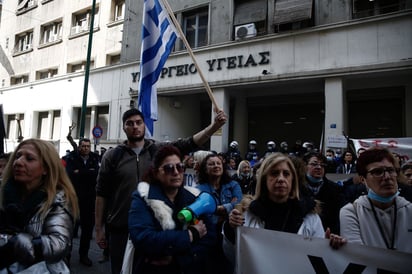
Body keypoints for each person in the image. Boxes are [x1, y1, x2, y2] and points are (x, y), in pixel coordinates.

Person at [95, 108, 227, 274]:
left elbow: (190, 143)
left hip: (156, 227)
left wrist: (214, 126)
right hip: (120, 228)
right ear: (124, 128)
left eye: (139, 122)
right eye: (130, 123)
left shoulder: (158, 150)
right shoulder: (112, 156)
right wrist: (99, 228)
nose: (135, 126)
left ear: (144, 125)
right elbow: (101, 193)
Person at [222, 153, 345, 267]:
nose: (281, 179)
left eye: (286, 174)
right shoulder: (247, 214)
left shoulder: (310, 217)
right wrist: (230, 229)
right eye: (274, 173)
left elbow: (318, 262)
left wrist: (330, 247)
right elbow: (234, 257)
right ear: (264, 180)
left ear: (293, 180)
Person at [128, 145, 216, 274]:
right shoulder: (142, 197)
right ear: (156, 172)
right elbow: (143, 238)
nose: (176, 172)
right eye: (169, 168)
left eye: (180, 167)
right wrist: (190, 235)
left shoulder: (194, 197)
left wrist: (178, 259)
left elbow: (210, 236)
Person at [0, 139, 79, 272]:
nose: (19, 162)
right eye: (18, 156)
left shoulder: (58, 200)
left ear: (46, 169)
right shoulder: (3, 192)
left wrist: (15, 243)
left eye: (29, 158)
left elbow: (58, 244)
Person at [340, 147, 412, 253]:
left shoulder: (409, 210)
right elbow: (357, 255)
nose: (387, 177)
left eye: (391, 170)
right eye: (378, 172)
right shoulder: (352, 212)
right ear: (362, 179)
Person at [196, 153, 243, 274]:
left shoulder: (233, 185)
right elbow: (204, 213)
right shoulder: (200, 189)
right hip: (210, 236)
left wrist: (218, 208)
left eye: (218, 163)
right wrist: (228, 209)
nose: (216, 166)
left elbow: (239, 203)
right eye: (211, 164)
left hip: (229, 235)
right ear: (205, 169)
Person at [65, 138, 100, 266]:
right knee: (70, 226)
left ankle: (83, 255)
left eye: (88, 146)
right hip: (74, 197)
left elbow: (96, 174)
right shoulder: (71, 158)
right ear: (79, 147)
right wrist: (88, 173)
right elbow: (70, 174)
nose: (86, 148)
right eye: (83, 146)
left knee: (87, 228)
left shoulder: (94, 158)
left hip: (90, 198)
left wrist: (80, 172)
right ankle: (66, 255)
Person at [301, 151, 345, 234]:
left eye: (322, 165)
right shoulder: (296, 187)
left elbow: (338, 218)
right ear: (305, 166)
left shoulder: (335, 189)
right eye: (314, 164)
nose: (319, 167)